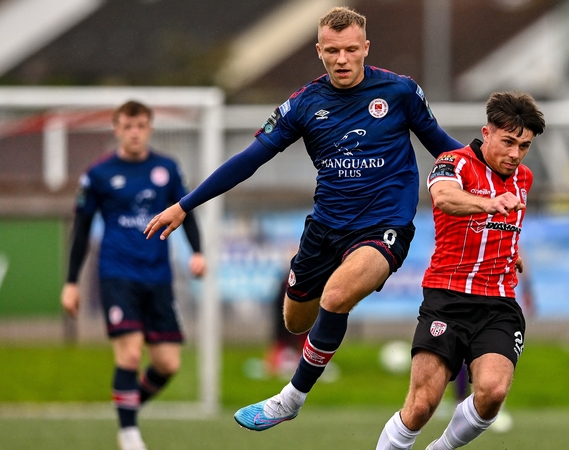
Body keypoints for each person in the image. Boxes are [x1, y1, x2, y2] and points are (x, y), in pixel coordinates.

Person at [143, 6, 463, 431]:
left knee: (337, 295)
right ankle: (300, 358)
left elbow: (445, 147)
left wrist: (493, 174)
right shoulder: (303, 104)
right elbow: (249, 160)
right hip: (324, 230)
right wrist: (185, 204)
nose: (343, 59)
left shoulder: (401, 92)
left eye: (351, 49)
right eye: (333, 51)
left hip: (385, 226)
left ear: (366, 48)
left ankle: (290, 398)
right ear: (319, 51)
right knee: (296, 319)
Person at [376, 91, 546, 450]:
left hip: (499, 302)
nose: (515, 154)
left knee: (493, 393)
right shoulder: (452, 162)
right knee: (423, 404)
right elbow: (444, 198)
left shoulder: (524, 179)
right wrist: (488, 204)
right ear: (487, 133)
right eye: (509, 142)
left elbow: (506, 231)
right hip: (447, 297)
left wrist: (513, 256)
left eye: (524, 146)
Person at [61, 100, 206, 450]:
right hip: (117, 272)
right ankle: (129, 434)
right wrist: (70, 282)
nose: (135, 132)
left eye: (141, 125)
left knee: (167, 363)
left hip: (157, 275)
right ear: (116, 129)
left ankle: (127, 405)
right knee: (128, 354)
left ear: (150, 128)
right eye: (128, 126)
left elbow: (185, 212)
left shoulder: (167, 168)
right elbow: (81, 229)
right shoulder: (98, 174)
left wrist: (197, 251)